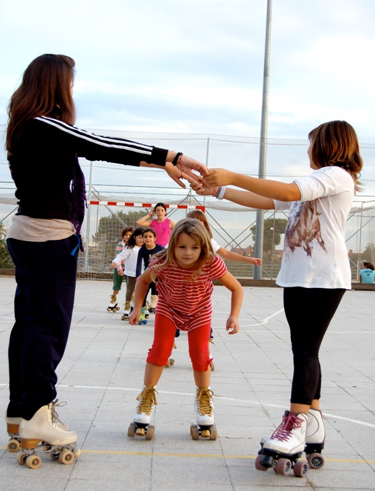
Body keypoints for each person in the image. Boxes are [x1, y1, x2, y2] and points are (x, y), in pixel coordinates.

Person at [5, 53, 208, 462]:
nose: (73, 90)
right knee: (47, 326)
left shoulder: (26, 127)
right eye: (70, 82)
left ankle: (21, 410)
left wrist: (160, 163)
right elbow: (100, 145)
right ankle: (37, 411)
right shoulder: (46, 125)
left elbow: (97, 148)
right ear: (56, 86)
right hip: (47, 238)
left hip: (30, 234)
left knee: (28, 323)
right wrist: (172, 156)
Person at [192, 120, 363, 465]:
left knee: (306, 351)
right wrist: (218, 190)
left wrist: (232, 175)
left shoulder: (336, 176)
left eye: (311, 143)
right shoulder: (316, 183)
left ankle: (294, 423)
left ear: (328, 146)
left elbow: (285, 192)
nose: (307, 150)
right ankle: (312, 423)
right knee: (303, 350)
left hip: (325, 278)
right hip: (297, 276)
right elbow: (269, 200)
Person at [127, 218, 243, 438]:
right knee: (160, 350)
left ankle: (204, 398)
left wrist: (234, 316)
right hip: (168, 309)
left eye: (194, 247)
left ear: (203, 247)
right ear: (172, 245)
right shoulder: (162, 261)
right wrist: (137, 308)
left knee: (200, 355)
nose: (188, 253)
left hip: (199, 312)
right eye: (182, 246)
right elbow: (142, 281)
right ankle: (147, 397)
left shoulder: (210, 262)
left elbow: (236, 288)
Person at [110, 228, 144, 320]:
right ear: (135, 237)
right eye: (139, 238)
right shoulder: (130, 248)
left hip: (143, 274)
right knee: (130, 290)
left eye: (143, 238)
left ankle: (140, 307)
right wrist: (115, 262)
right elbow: (120, 256)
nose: (142, 240)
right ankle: (127, 306)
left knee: (140, 291)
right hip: (131, 273)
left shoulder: (146, 248)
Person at [135, 227, 164, 315]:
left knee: (159, 295)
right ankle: (142, 313)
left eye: (150, 237)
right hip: (147, 276)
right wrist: (138, 276)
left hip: (159, 276)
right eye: (146, 237)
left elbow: (167, 259)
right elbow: (139, 264)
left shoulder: (160, 249)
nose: (148, 238)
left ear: (154, 238)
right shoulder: (142, 250)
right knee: (143, 295)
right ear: (143, 239)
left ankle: (160, 313)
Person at [107, 226, 134, 312]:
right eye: (125, 235)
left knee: (130, 287)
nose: (127, 236)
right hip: (119, 267)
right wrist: (119, 269)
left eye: (130, 235)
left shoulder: (134, 246)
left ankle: (130, 302)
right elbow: (118, 256)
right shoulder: (120, 245)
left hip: (129, 269)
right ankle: (114, 299)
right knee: (116, 284)